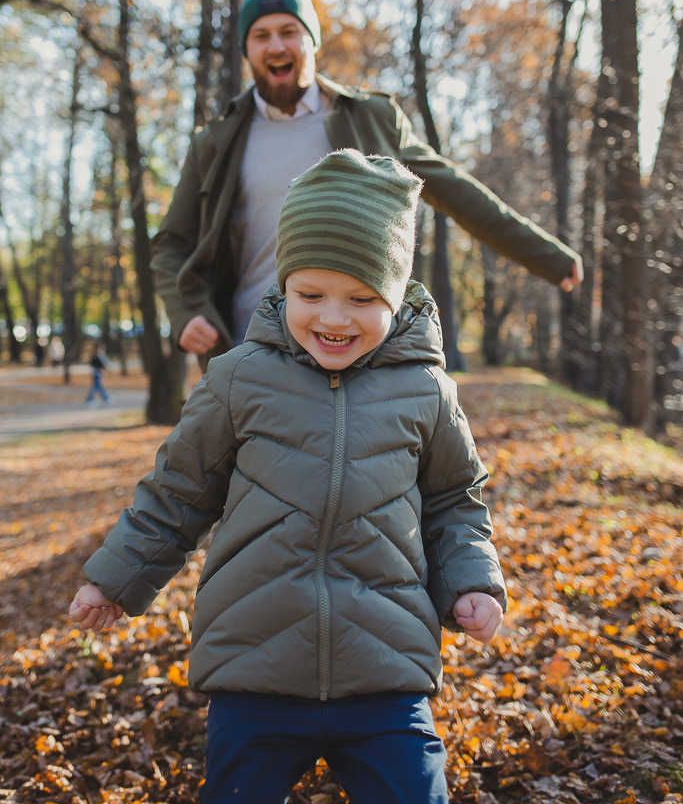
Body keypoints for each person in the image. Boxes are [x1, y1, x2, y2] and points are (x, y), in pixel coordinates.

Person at [70, 150, 507, 804]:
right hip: (254, 678)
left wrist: (471, 579)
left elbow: (453, 501)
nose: (333, 319)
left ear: (395, 294)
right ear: (283, 288)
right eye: (310, 295)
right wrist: (116, 578)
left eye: (361, 298)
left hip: (384, 677)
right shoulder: (239, 378)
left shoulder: (426, 392)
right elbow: (177, 494)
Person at [151, 0, 583, 371]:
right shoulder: (215, 142)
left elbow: (456, 191)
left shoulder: (371, 119)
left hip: (355, 344)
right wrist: (186, 311)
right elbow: (171, 244)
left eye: (289, 32)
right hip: (249, 349)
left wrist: (547, 257)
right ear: (247, 50)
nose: (276, 46)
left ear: (312, 41)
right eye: (260, 36)